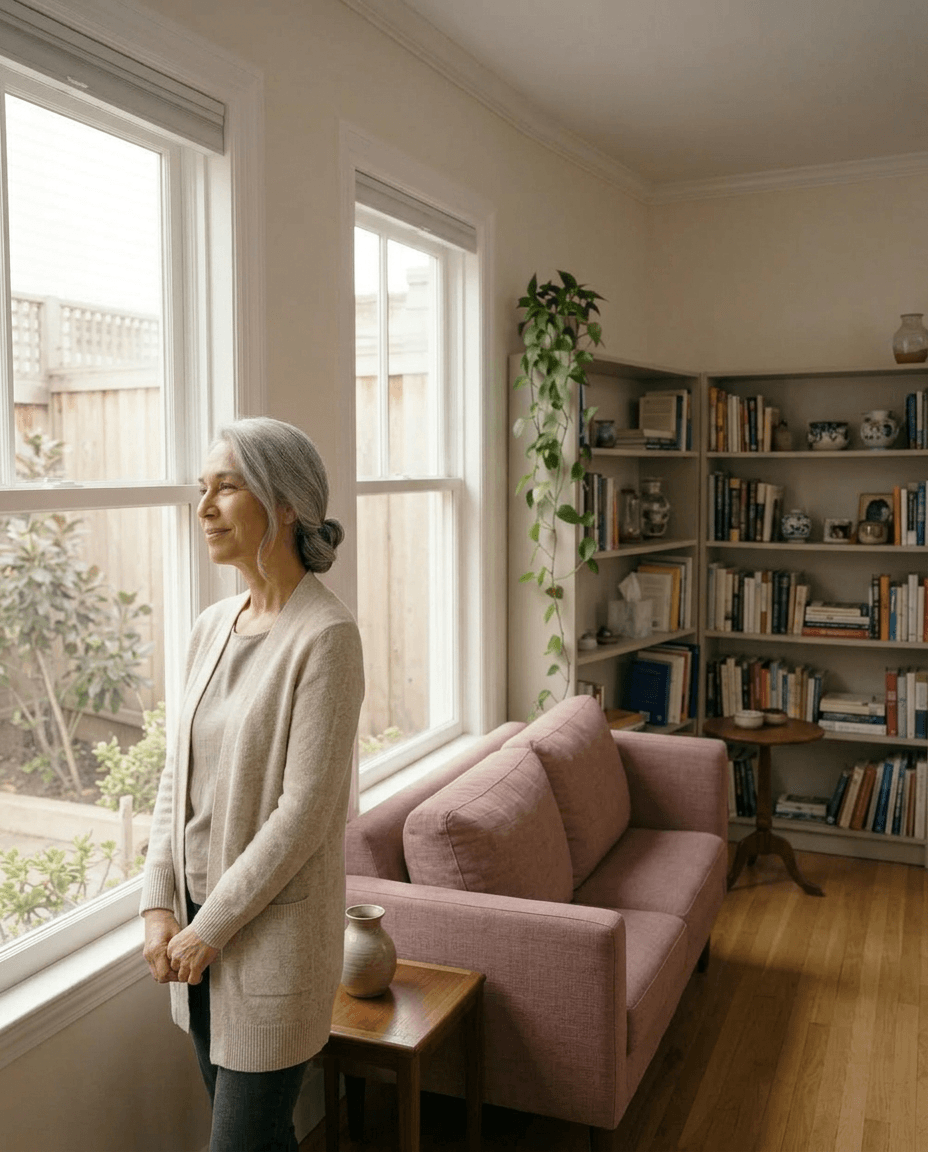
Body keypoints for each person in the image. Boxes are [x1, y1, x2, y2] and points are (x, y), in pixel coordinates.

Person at [140, 417, 364, 1152]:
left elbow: (304, 814)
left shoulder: (325, 638)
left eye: (225, 487)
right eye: (200, 489)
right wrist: (158, 904)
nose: (203, 508)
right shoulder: (211, 625)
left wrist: (208, 928)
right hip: (194, 937)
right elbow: (178, 773)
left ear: (287, 504)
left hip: (269, 946)